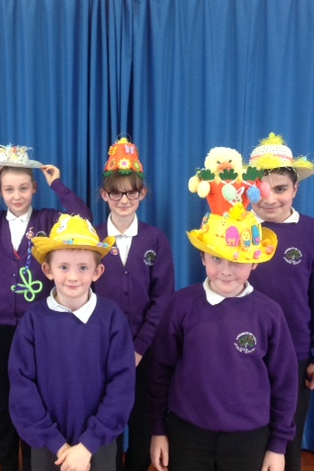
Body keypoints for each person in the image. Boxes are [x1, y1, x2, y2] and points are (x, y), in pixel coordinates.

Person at [0, 143, 92, 471]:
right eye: (8, 189)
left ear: (34, 188)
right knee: (3, 402)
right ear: (0, 192)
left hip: (40, 326)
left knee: (37, 401)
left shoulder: (49, 220)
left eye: (23, 188)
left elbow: (84, 221)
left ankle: (35, 464)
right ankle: (7, 463)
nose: (16, 196)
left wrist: (57, 185)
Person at [149, 200, 298, 471]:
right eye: (216, 258)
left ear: (254, 262)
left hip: (249, 438)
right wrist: (158, 429)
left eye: (237, 261)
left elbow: (285, 384)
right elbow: (160, 371)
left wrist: (278, 446)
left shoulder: (269, 314)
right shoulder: (181, 305)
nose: (226, 271)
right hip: (187, 434)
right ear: (203, 257)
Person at [8, 214, 136, 471]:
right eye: (64, 267)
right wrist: (58, 445)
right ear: (48, 270)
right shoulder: (33, 321)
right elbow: (22, 388)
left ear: (98, 272)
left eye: (83, 268)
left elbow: (121, 386)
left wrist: (88, 445)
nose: (73, 277)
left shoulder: (111, 318)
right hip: (48, 447)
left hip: (98, 447)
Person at [247, 133, 314, 471]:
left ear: (295, 189)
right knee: (248, 438)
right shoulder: (236, 228)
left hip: (295, 354)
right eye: (260, 189)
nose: (270, 198)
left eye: (280, 188)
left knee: (287, 441)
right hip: (243, 351)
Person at [94, 137, 175, 471]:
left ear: (142, 194)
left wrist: (139, 348)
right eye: (116, 193)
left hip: (147, 350)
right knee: (107, 417)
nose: (124, 200)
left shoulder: (156, 239)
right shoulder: (92, 238)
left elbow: (163, 299)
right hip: (102, 350)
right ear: (104, 195)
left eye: (132, 193)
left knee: (142, 419)